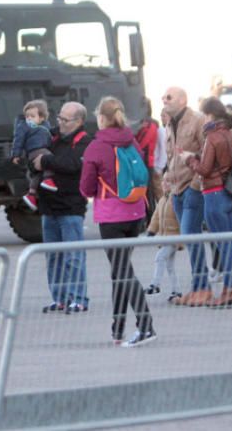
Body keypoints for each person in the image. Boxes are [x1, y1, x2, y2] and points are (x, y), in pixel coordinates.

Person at [80, 96, 156, 347]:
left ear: (101, 117)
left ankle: (146, 326)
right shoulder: (130, 140)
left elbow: (86, 188)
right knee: (120, 270)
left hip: (111, 216)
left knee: (122, 270)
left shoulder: (96, 146)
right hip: (135, 212)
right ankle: (118, 328)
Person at [183, 97, 232, 309]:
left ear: (209, 115)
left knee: (222, 244)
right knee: (230, 244)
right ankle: (230, 289)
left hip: (213, 193)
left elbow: (205, 169)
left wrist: (189, 159)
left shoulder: (212, 136)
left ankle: (227, 292)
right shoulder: (230, 133)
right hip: (228, 192)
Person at [35, 101, 92, 313]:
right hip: (49, 208)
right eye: (59, 118)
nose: (60, 123)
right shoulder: (52, 137)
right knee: (53, 257)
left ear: (78, 121)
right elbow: (34, 153)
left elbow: (72, 164)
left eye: (65, 120)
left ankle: (79, 298)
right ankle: (59, 298)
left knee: (73, 257)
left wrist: (47, 161)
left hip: (71, 208)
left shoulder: (85, 142)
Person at [162, 87, 211, 307]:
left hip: (193, 187)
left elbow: (208, 152)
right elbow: (173, 156)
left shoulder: (197, 121)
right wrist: (167, 177)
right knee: (189, 238)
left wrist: (195, 185)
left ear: (182, 100)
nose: (164, 100)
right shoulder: (169, 123)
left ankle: (202, 288)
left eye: (169, 97)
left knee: (191, 236)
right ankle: (199, 287)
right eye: (163, 97)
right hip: (177, 188)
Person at [12, 99, 57, 210]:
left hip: (43, 149)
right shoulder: (24, 127)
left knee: (37, 174)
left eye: (32, 116)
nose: (29, 118)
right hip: (35, 151)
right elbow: (18, 140)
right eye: (27, 116)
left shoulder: (46, 125)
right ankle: (48, 178)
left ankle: (31, 194)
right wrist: (15, 154)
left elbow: (51, 135)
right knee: (50, 159)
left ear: (41, 118)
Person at [145, 194, 182, 303]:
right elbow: (156, 217)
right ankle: (176, 291)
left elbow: (181, 216)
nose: (165, 184)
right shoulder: (162, 200)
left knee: (159, 257)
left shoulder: (176, 198)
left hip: (174, 238)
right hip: (165, 237)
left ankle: (155, 284)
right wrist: (151, 231)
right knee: (170, 266)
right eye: (164, 181)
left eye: (168, 181)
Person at [134, 99, 161, 222]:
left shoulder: (150, 125)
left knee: (147, 193)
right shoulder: (144, 123)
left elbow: (143, 144)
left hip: (145, 161)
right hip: (144, 161)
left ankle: (150, 219)